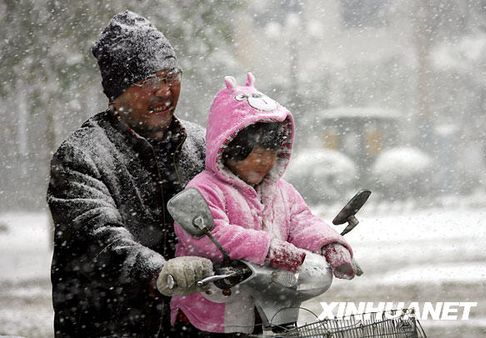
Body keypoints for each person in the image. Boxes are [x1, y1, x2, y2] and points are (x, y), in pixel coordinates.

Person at [47, 11, 214, 337]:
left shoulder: (202, 144)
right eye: (149, 81)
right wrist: (156, 271)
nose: (165, 91)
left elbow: (247, 202)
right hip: (112, 325)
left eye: (171, 76)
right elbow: (99, 236)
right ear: (116, 93)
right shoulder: (81, 157)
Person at [170, 73, 358, 335]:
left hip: (272, 304)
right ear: (228, 147)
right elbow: (209, 235)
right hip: (214, 313)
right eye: (256, 153)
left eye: (271, 152)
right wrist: (268, 249)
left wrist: (330, 244)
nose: (265, 161)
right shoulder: (205, 189)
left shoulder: (281, 191)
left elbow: (302, 221)